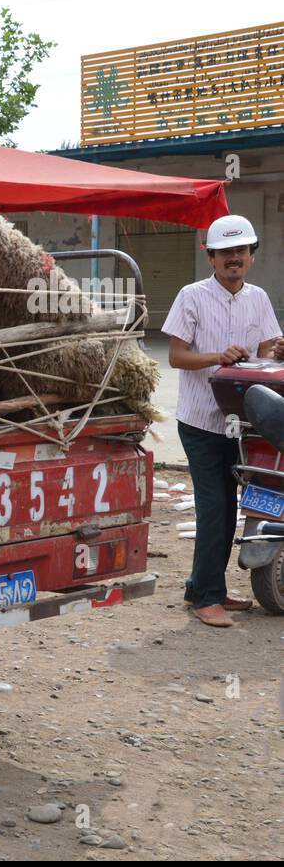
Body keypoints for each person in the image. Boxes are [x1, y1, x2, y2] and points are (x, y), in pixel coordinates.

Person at [161, 214, 284, 627]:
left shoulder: (259, 299)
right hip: (201, 422)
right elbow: (176, 357)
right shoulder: (191, 296)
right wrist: (218, 356)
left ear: (251, 256)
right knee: (215, 508)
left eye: (241, 251)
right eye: (225, 252)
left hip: (247, 425)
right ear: (210, 256)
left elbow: (265, 354)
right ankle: (207, 600)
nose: (234, 258)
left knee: (230, 509)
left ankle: (202, 587)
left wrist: (275, 353)